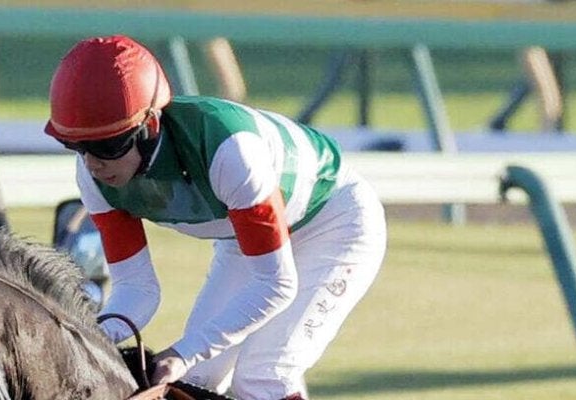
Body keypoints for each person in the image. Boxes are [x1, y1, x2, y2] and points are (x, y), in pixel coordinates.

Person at [44, 35, 386, 400]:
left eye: (107, 145)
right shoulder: (93, 178)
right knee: (199, 378)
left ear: (150, 126)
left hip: (334, 221)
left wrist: (184, 352)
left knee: (264, 375)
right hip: (243, 236)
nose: (93, 163)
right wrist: (86, 340)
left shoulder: (229, 151)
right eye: (77, 146)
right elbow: (136, 289)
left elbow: (276, 283)